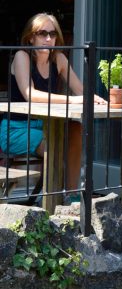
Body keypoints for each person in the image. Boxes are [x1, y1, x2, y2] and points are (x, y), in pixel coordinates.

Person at [0, 13, 105, 193]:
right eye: (42, 33)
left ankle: (71, 196)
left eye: (53, 34)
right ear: (31, 37)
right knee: (53, 143)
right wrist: (73, 100)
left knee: (75, 128)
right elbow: (30, 94)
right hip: (15, 130)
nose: (48, 38)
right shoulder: (21, 56)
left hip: (44, 126)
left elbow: (81, 91)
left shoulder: (59, 59)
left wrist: (98, 100)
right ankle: (52, 199)